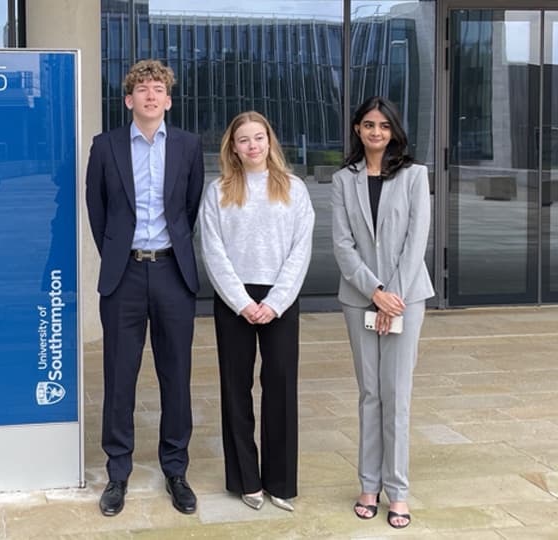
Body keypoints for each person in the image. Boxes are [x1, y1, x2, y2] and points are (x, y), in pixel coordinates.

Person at [85, 59, 204, 517]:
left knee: (176, 374)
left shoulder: (189, 147)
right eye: (142, 88)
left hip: (174, 273)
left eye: (158, 89)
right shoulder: (106, 146)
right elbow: (98, 211)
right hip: (125, 275)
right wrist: (119, 252)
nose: (151, 95)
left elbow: (188, 210)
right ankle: (118, 473)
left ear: (168, 100)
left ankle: (176, 468)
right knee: (120, 376)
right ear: (128, 99)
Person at [198, 111, 314, 512]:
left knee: (280, 386)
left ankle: (280, 481)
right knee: (235, 388)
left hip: (280, 298)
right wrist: (242, 302)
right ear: (232, 146)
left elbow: (301, 249)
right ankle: (246, 478)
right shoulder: (218, 191)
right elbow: (212, 250)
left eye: (259, 138)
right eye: (243, 139)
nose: (252, 146)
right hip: (235, 300)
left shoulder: (294, 189)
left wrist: (276, 301)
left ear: (270, 141)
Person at [331, 96, 434, 529]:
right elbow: (342, 244)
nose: (376, 132)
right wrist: (374, 290)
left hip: (406, 299)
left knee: (397, 396)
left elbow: (417, 240)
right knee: (370, 394)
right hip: (360, 301)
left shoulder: (414, 176)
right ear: (358, 129)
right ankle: (368, 484)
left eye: (384, 126)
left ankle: (399, 490)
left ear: (394, 131)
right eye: (369, 125)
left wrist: (393, 294)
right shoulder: (342, 179)